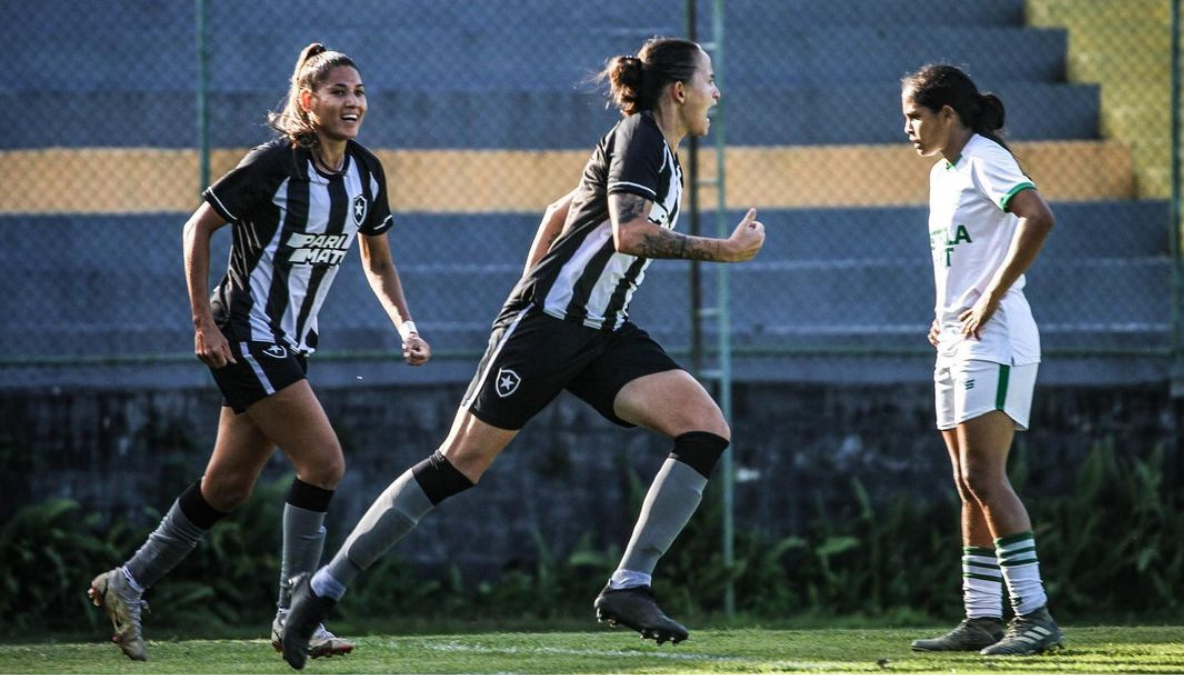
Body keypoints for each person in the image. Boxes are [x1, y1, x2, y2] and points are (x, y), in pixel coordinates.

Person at [278, 36, 765, 670]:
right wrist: (723, 252)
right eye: (708, 79)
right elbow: (630, 233)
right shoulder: (641, 135)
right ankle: (317, 596)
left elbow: (561, 208)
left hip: (603, 331)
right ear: (678, 89)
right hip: (549, 329)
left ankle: (628, 586)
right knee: (457, 466)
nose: (715, 92)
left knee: (703, 427)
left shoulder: (659, 150)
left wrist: (531, 276)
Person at [88, 43, 431, 661]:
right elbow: (197, 228)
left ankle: (127, 581)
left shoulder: (365, 173)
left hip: (291, 344)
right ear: (308, 101)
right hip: (245, 333)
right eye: (337, 92)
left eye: (357, 92)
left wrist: (405, 324)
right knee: (324, 463)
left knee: (226, 487)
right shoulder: (274, 163)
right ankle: (295, 614)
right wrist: (203, 324)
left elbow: (377, 260)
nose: (352, 102)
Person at [900, 64, 1062, 656]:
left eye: (916, 116)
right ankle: (981, 618)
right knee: (968, 485)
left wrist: (990, 297)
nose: (909, 129)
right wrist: (947, 313)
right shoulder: (945, 172)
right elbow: (965, 256)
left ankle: (1036, 616)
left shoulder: (985, 157)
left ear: (949, 114)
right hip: (959, 340)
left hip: (996, 338)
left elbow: (1038, 217)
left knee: (983, 477)